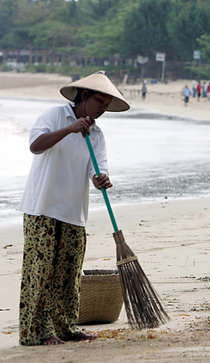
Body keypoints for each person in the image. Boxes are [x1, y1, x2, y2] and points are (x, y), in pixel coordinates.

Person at [18, 71, 130, 346]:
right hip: (41, 207)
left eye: (106, 105)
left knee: (68, 273)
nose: (103, 109)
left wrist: (100, 179)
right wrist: (69, 129)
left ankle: (67, 327)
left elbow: (97, 169)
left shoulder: (97, 134)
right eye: (100, 102)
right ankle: (36, 332)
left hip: (73, 212)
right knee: (41, 271)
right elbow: (35, 146)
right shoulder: (54, 116)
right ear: (84, 96)